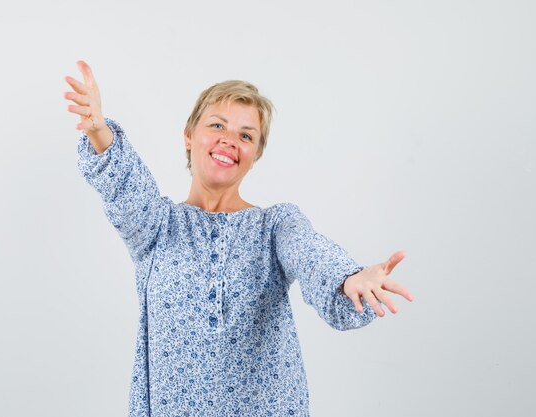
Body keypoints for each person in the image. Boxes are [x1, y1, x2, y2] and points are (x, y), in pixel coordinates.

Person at [64, 60, 413, 416]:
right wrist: (98, 131)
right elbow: (124, 185)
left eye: (246, 136)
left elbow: (308, 251)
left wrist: (347, 278)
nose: (229, 141)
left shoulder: (275, 226)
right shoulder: (157, 226)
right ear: (189, 135)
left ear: (254, 156)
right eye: (217, 125)